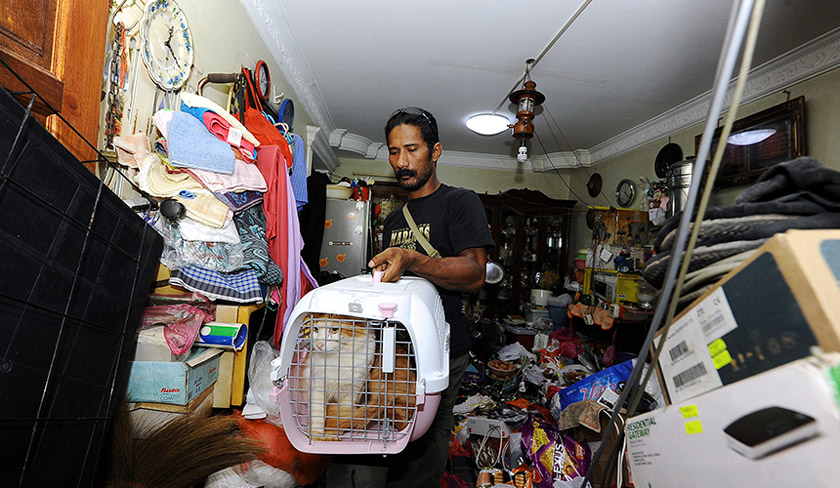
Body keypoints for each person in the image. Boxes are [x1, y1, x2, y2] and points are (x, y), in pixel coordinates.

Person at [368, 107, 494, 487]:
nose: (401, 162)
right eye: (393, 152)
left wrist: (412, 259)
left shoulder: (460, 202)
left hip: (443, 351)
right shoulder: (392, 221)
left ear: (435, 151)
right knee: (394, 437)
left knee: (426, 445)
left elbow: (474, 274)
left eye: (412, 150)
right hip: (395, 353)